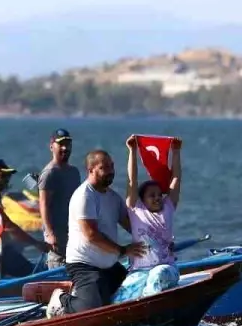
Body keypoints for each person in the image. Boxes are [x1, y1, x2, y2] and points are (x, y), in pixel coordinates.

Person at [64, 150, 145, 313]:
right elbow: (91, 235)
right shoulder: (85, 196)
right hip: (84, 265)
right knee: (92, 309)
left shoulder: (114, 198)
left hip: (109, 266)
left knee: (140, 289)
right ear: (91, 170)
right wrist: (123, 250)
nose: (110, 171)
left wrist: (158, 239)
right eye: (104, 167)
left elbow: (133, 226)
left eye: (112, 166)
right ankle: (61, 299)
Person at [125, 135, 183, 270]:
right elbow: (132, 181)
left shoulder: (168, 206)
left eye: (159, 194)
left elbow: (176, 179)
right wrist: (132, 151)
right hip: (140, 270)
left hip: (166, 268)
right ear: (142, 199)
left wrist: (176, 151)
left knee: (159, 277)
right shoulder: (136, 209)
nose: (157, 198)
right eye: (151, 195)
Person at [38, 128, 81, 270]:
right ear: (52, 146)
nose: (65, 148)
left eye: (68, 144)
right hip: (58, 238)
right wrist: (49, 233)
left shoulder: (74, 172)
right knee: (59, 274)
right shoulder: (49, 173)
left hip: (74, 234)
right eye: (60, 144)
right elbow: (43, 204)